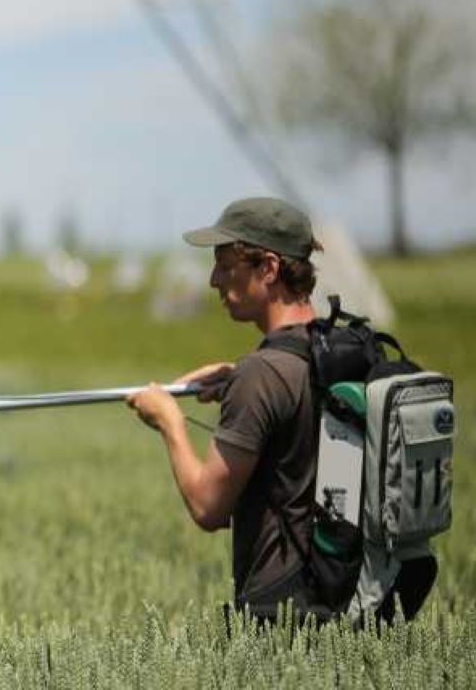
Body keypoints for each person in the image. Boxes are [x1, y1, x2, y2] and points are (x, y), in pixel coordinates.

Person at [125, 197, 328, 623]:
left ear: (268, 269)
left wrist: (169, 420)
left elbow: (208, 507)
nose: (214, 280)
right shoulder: (336, 353)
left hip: (282, 613)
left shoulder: (263, 376)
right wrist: (239, 382)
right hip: (346, 599)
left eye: (225, 264)